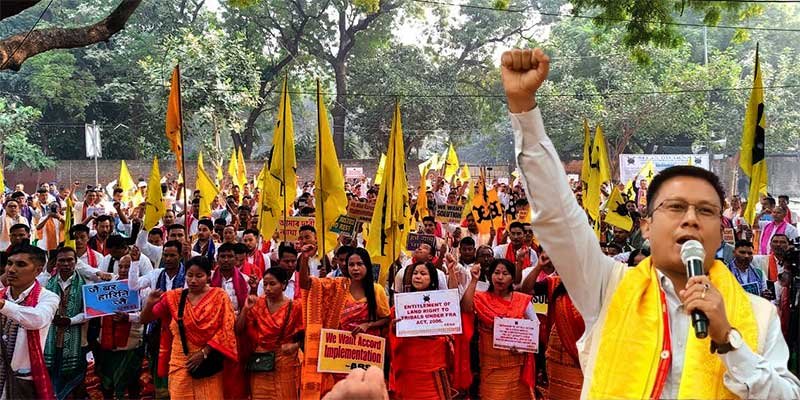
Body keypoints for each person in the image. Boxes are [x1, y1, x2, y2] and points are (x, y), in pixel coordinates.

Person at [503, 47, 800, 397]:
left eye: (705, 211)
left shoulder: (757, 313)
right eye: (675, 207)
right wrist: (523, 109)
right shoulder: (607, 288)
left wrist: (729, 340)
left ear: (721, 230)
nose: (690, 219)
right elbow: (557, 214)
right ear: (646, 226)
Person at [139, 256, 238, 399]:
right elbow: (145, 319)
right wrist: (149, 303)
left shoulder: (220, 296)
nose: (193, 280)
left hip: (208, 363)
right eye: (189, 275)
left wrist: (204, 353)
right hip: (180, 361)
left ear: (208, 276)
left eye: (199, 276)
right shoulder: (175, 297)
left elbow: (226, 328)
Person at [298, 247, 391, 399]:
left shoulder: (376, 290)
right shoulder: (337, 286)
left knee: (364, 390)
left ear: (367, 265)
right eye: (351, 265)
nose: (355, 269)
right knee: (341, 390)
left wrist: (367, 325)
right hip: (340, 352)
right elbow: (306, 284)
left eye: (359, 264)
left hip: (366, 351)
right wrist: (304, 258)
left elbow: (386, 318)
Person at [461, 259, 537, 399]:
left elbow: (534, 327)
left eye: (505, 273)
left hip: (516, 366)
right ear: (490, 275)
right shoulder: (481, 297)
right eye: (496, 273)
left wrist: (523, 347)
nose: (500, 277)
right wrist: (474, 280)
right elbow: (466, 307)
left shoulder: (522, 300)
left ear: (512, 278)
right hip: (491, 367)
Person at [520, 252, 584, 400]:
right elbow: (526, 291)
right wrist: (539, 267)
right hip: (556, 350)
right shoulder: (555, 284)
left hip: (581, 354)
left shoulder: (595, 289)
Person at [389, 261, 457, 400]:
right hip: (409, 370)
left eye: (423, 273)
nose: (417, 277)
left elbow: (450, 332)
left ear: (432, 279)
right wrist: (394, 328)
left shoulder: (441, 305)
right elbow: (392, 337)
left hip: (434, 371)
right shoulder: (401, 306)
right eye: (415, 273)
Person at [0, 244, 59, 399]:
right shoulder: (1, 295)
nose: (11, 270)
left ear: (38, 270)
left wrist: (3, 305)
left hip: (23, 379)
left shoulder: (48, 297)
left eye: (21, 264)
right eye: (9, 263)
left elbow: (37, 319)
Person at [237, 267, 304, 400]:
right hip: (261, 363)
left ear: (283, 284)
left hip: (285, 363)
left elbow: (308, 335)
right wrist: (245, 309)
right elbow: (239, 330)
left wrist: (295, 346)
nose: (267, 288)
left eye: (272, 284)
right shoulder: (257, 303)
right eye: (265, 284)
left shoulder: (295, 307)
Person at [94, 255, 145, 399]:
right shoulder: (109, 284)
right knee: (107, 382)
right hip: (107, 342)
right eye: (120, 266)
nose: (123, 270)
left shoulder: (142, 287)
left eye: (127, 267)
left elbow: (147, 315)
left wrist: (128, 317)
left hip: (130, 345)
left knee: (131, 382)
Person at [44, 246, 88, 400]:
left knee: (75, 381)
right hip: (50, 340)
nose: (66, 263)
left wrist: (70, 320)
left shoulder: (85, 283)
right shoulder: (46, 283)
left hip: (76, 340)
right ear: (56, 263)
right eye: (62, 260)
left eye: (70, 260)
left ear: (76, 262)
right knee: (50, 378)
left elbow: (89, 312)